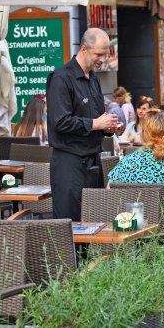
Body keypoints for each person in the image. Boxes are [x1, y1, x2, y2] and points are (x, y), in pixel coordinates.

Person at [46, 28, 119, 221]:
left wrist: (107, 127)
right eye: (98, 54)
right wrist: (95, 123)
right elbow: (59, 122)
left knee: (95, 221)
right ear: (84, 49)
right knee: (70, 223)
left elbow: (96, 117)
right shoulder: (61, 78)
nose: (102, 60)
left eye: (105, 55)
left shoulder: (93, 78)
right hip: (69, 162)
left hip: (93, 160)